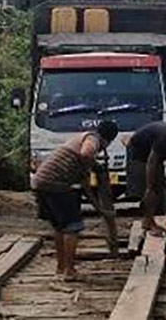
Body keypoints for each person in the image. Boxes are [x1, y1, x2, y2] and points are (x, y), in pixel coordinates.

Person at [32, 120, 119, 280]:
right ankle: (69, 270)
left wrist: (99, 209)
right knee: (72, 227)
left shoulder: (80, 144)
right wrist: (95, 166)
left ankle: (61, 268)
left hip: (41, 181)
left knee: (60, 227)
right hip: (57, 184)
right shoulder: (93, 139)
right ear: (109, 139)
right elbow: (86, 154)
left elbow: (86, 188)